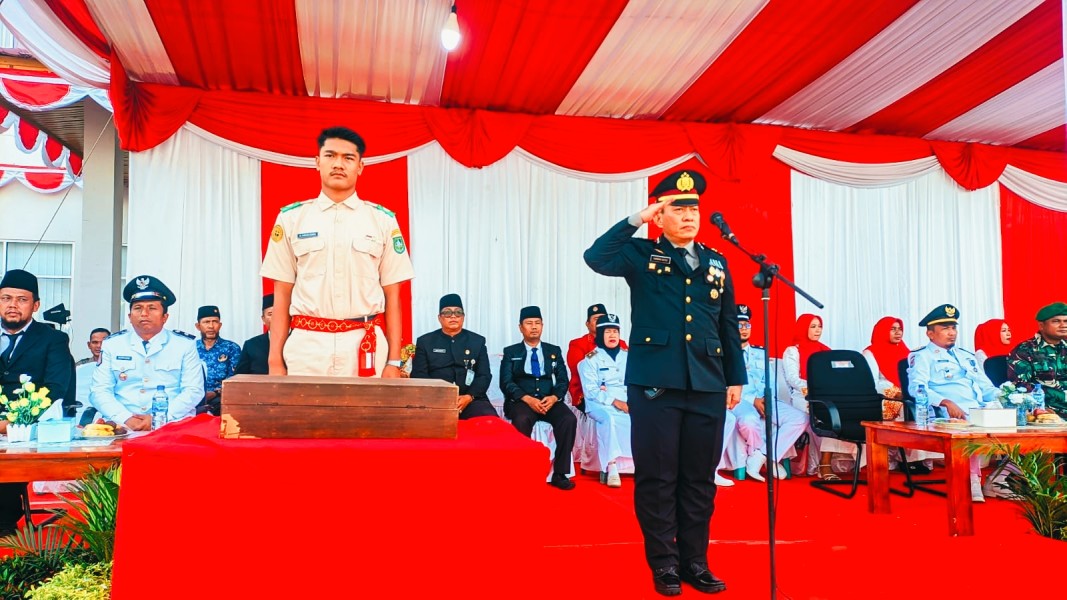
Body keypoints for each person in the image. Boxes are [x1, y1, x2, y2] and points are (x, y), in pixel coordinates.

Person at [584, 170, 743, 596]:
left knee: (699, 478)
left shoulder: (716, 261)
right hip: (655, 385)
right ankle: (665, 564)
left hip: (707, 384)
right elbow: (596, 257)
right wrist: (638, 217)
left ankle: (695, 561)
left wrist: (736, 378)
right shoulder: (640, 255)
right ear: (660, 213)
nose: (689, 216)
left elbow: (727, 324)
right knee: (657, 477)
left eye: (694, 208)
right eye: (678, 208)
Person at [260, 126, 414, 378]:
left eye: (348, 158)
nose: (338, 164)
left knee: (366, 418)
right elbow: (282, 293)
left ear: (360, 166)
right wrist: (274, 360)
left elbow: (392, 297)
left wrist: (394, 362)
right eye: (330, 155)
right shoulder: (291, 219)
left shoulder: (382, 221)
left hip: (365, 345)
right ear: (317, 162)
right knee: (304, 417)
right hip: (307, 347)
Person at [0, 269, 76, 537]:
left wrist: (14, 420)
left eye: (21, 299)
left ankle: (6, 524)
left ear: (36, 305)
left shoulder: (52, 339)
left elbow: (56, 387)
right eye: (6, 298)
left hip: (26, 426)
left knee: (11, 464)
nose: (12, 305)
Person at [907, 304, 998, 502]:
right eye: (945, 328)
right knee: (967, 425)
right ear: (930, 334)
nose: (952, 333)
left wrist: (1008, 397)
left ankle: (1000, 478)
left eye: (953, 328)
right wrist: (945, 401)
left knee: (1024, 420)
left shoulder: (966, 356)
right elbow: (916, 388)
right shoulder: (922, 356)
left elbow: (987, 388)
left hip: (979, 409)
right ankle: (973, 480)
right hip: (947, 414)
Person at [90, 276, 205, 432]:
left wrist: (160, 418)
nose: (144, 313)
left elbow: (193, 390)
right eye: (138, 308)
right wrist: (125, 418)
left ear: (165, 317)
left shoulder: (184, 345)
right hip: (121, 426)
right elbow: (100, 390)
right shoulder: (112, 345)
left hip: (171, 424)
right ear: (130, 317)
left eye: (152, 308)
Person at [499, 306, 576, 491]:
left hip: (548, 400)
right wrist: (526, 398)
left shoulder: (553, 350)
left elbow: (563, 379)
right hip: (522, 402)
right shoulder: (511, 352)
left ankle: (560, 473)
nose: (534, 327)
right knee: (522, 419)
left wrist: (555, 397)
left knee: (568, 419)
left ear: (542, 326)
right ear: (520, 327)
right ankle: (522, 473)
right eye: (529, 323)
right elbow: (506, 382)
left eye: (537, 323)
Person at [735, 304, 806, 483]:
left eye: (747, 325)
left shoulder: (761, 352)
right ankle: (764, 457)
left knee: (801, 419)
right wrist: (753, 401)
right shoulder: (725, 355)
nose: (744, 329)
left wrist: (766, 399)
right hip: (742, 402)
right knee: (749, 422)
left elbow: (771, 381)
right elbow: (725, 387)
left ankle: (763, 456)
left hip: (767, 400)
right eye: (739, 325)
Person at [782, 314, 856, 480]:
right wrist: (817, 387)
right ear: (803, 327)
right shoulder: (793, 350)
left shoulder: (826, 351)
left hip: (826, 395)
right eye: (813, 326)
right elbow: (793, 379)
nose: (817, 330)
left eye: (819, 326)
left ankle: (830, 461)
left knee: (841, 413)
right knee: (824, 416)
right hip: (803, 396)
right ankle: (824, 464)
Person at [862, 316, 936, 473]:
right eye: (892, 329)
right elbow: (873, 382)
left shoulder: (906, 352)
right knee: (907, 409)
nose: (898, 332)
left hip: (908, 394)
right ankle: (907, 460)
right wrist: (897, 392)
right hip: (885, 397)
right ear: (882, 331)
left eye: (900, 329)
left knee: (923, 407)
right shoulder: (870, 352)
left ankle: (918, 458)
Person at [411, 293, 497, 419]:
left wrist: (469, 397)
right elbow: (419, 374)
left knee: (489, 420)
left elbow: (484, 375)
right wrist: (440, 397)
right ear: (439, 318)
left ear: (463, 317)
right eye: (447, 313)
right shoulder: (425, 342)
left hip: (471, 399)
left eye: (458, 312)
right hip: (434, 399)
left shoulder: (477, 341)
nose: (453, 316)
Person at [577, 314, 631, 487]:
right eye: (607, 331)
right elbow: (591, 391)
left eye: (615, 331)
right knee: (609, 419)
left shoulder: (627, 356)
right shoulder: (591, 359)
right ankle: (611, 466)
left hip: (627, 400)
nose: (612, 335)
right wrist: (615, 402)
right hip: (598, 403)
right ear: (599, 335)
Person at [1007, 301, 1067, 419]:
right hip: (1049, 414)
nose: (1063, 325)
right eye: (1056, 321)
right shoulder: (1025, 351)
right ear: (1041, 325)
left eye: (1066, 321)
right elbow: (1020, 386)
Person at [566, 303, 627, 409]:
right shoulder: (578, 344)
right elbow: (580, 372)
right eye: (596, 319)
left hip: (618, 391)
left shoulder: (620, 344)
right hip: (586, 391)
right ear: (587, 324)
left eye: (602, 318)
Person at [194, 305, 241, 416]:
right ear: (198, 326)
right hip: (193, 397)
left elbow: (234, 379)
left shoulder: (231, 348)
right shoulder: (191, 348)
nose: (211, 326)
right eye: (206, 322)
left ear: (220, 325)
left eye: (215, 322)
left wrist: (215, 392)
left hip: (221, 398)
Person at [75, 328, 110, 425]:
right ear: (89, 345)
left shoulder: (117, 367)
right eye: (95, 342)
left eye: (103, 342)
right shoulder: (79, 366)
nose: (99, 346)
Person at [234, 294, 273, 376]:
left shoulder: (296, 341)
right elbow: (239, 377)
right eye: (270, 314)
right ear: (263, 319)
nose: (275, 318)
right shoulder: (251, 345)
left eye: (279, 314)